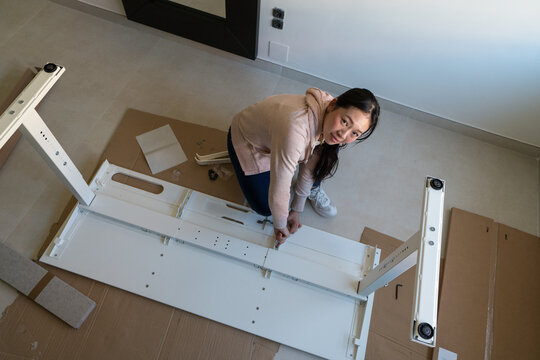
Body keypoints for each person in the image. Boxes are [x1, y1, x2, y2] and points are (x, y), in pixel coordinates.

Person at [227, 87, 379, 248]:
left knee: (325, 158)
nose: (343, 135)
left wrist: (296, 209)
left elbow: (310, 167)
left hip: (283, 141)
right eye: (345, 121)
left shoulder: (331, 124)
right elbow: (281, 182)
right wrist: (280, 224)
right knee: (265, 207)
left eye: (355, 133)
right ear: (333, 104)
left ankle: (311, 189)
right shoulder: (295, 130)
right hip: (250, 143)